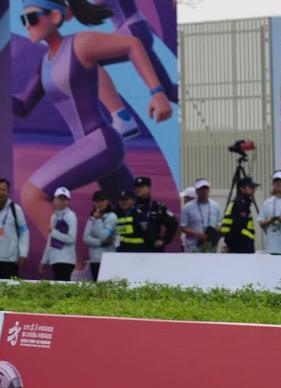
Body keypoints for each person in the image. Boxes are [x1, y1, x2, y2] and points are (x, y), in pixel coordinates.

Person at [13, 0, 172, 237]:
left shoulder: (80, 43)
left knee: (32, 194)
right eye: (22, 20)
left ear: (55, 17)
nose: (27, 25)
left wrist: (157, 93)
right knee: (130, 220)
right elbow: (22, 106)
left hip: (101, 142)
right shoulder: (44, 64)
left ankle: (74, 267)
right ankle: (141, 259)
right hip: (91, 148)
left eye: (32, 18)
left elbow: (132, 43)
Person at [39, 187, 77, 281]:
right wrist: (44, 260)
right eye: (59, 198)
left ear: (68, 201)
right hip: (55, 260)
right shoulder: (54, 216)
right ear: (54, 200)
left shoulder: (70, 216)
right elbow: (50, 240)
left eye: (64, 199)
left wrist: (54, 232)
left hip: (66, 260)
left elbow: (71, 239)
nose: (61, 201)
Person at [133, 176, 177, 252]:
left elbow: (173, 223)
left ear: (149, 188)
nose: (138, 189)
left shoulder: (157, 206)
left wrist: (164, 240)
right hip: (134, 249)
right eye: (136, 187)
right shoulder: (131, 207)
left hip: (154, 250)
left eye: (141, 187)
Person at [82, 190, 117, 280]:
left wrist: (98, 220)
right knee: (97, 289)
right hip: (94, 260)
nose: (100, 203)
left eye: (102, 200)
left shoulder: (112, 216)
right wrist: (100, 243)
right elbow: (85, 238)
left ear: (107, 201)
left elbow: (103, 236)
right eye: (97, 201)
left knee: (108, 288)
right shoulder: (91, 218)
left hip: (108, 260)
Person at [180, 178, 221, 253]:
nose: (204, 191)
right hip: (193, 246)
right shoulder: (188, 207)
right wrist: (196, 233)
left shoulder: (215, 206)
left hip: (210, 245)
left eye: (206, 189)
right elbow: (183, 227)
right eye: (201, 189)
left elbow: (219, 223)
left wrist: (215, 231)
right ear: (196, 191)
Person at [221, 176, 258, 254]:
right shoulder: (241, 203)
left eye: (254, 187)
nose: (253, 189)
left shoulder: (239, 201)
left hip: (240, 245)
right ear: (242, 188)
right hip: (241, 246)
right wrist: (232, 245)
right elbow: (237, 226)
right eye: (250, 187)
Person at [0, 179, 29, 279]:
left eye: (4, 190)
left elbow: (24, 232)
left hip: (10, 260)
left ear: (8, 191)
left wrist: (23, 252)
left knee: (9, 291)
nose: (1, 192)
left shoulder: (16, 209)